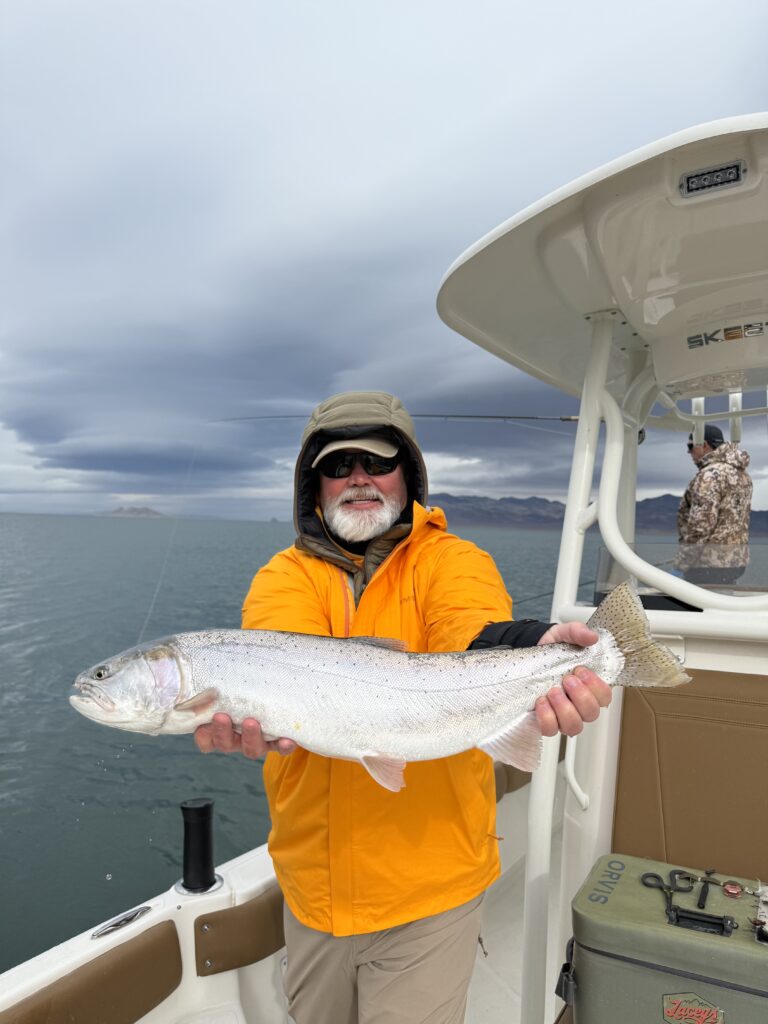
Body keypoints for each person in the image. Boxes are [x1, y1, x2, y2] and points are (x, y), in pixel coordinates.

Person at [195, 390, 612, 1024]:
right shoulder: (283, 576)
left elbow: (471, 629)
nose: (359, 478)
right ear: (314, 485)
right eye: (339, 466)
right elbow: (284, 660)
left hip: (431, 893)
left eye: (377, 460)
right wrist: (256, 713)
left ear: (407, 475)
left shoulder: (453, 560)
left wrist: (531, 648)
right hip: (311, 896)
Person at [676, 423, 753, 585]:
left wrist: (682, 564)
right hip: (735, 562)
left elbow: (701, 526)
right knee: (724, 603)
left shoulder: (710, 475)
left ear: (703, 445)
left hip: (707, 564)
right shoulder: (743, 475)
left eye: (690, 446)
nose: (688, 452)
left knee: (697, 608)